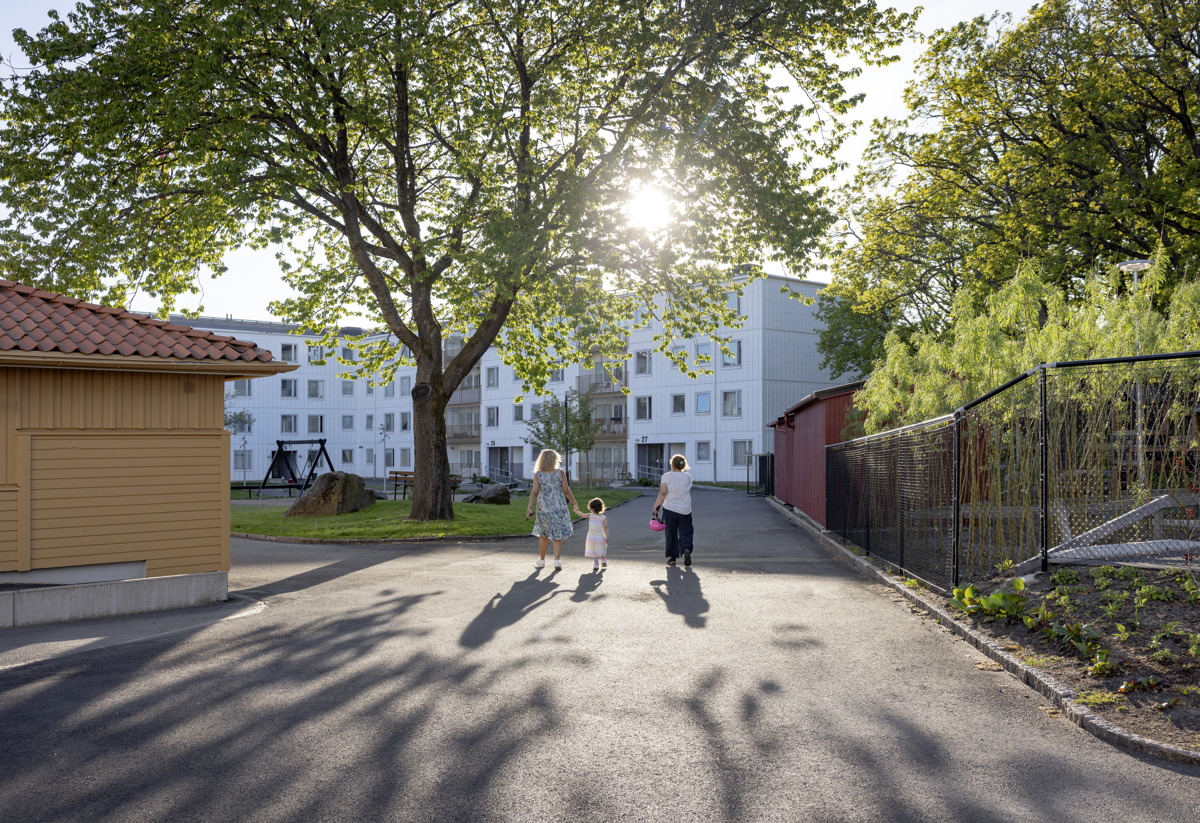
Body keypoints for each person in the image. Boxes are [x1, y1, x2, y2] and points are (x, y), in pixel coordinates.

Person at [526, 448, 582, 570]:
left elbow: (535, 492)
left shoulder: (538, 474)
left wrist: (529, 507)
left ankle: (541, 560)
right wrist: (574, 502)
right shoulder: (560, 473)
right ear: (555, 460)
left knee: (543, 535)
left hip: (543, 508)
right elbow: (566, 490)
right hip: (559, 507)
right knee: (557, 535)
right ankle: (557, 561)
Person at [652, 453, 693, 566]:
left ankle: (672, 558)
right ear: (682, 465)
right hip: (685, 509)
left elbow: (663, 492)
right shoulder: (688, 477)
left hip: (670, 509)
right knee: (686, 532)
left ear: (672, 464)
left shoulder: (666, 476)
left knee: (671, 533)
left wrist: (656, 506)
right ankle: (686, 549)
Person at [583, 497, 609, 570]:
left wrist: (576, 511)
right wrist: (607, 536)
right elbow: (605, 527)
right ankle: (603, 559)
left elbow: (582, 515)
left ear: (592, 508)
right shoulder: (603, 517)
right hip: (600, 536)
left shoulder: (590, 515)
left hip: (591, 536)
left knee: (594, 550)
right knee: (601, 548)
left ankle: (596, 564)